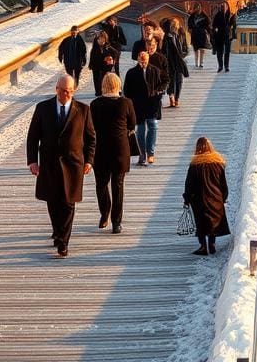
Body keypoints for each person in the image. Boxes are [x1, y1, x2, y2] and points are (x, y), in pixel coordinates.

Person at [26, 75, 95, 258]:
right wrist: (32, 161)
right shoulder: (43, 108)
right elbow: (33, 137)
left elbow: (90, 139)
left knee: (68, 203)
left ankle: (64, 242)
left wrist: (89, 160)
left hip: (73, 164)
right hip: (49, 163)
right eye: (62, 90)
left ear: (74, 91)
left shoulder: (83, 110)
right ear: (56, 89)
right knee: (52, 201)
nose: (65, 94)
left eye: (69, 91)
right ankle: (57, 231)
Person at [90, 72, 136, 234]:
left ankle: (105, 213)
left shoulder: (95, 104)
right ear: (118, 85)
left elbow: (91, 128)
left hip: (100, 149)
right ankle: (117, 223)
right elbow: (132, 124)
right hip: (120, 149)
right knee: (118, 185)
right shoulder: (126, 103)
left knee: (101, 184)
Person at [183, 136, 230, 256]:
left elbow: (189, 184)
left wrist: (187, 199)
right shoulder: (218, 163)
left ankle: (203, 246)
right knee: (213, 223)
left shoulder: (195, 165)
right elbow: (222, 183)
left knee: (201, 223)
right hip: (215, 198)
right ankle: (212, 244)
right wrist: (223, 197)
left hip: (199, 199)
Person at [123, 51, 168, 166]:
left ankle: (151, 153)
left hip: (153, 103)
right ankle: (142, 154)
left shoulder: (155, 70)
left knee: (153, 127)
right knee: (141, 130)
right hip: (138, 105)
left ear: (148, 60)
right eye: (142, 61)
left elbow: (165, 81)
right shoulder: (131, 73)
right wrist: (129, 104)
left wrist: (159, 91)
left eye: (145, 61)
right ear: (138, 59)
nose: (143, 63)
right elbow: (127, 91)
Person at [163, 17, 189, 108]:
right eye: (172, 25)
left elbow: (185, 47)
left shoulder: (181, 34)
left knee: (179, 80)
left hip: (179, 60)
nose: (174, 27)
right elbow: (164, 50)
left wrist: (183, 55)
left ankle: (177, 98)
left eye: (175, 25)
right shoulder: (168, 36)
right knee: (171, 80)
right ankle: (172, 99)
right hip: (170, 61)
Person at [88, 30, 119, 97]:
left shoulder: (108, 47)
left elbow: (116, 53)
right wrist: (91, 65)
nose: (102, 41)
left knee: (105, 80)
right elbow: (92, 57)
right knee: (96, 80)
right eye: (100, 39)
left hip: (106, 67)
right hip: (96, 66)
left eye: (104, 39)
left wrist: (112, 60)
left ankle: (104, 91)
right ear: (97, 39)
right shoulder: (94, 48)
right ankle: (98, 92)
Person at [212, 4, 237, 73]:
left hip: (227, 34)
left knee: (227, 51)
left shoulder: (230, 14)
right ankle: (220, 66)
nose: (223, 7)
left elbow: (234, 24)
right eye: (222, 6)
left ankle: (226, 66)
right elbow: (214, 25)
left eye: (224, 6)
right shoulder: (218, 14)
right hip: (219, 34)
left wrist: (233, 31)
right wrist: (215, 30)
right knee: (219, 51)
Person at [188, 3, 212, 69]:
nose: (198, 9)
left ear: (201, 8)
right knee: (196, 49)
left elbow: (208, 24)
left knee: (202, 49)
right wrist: (191, 30)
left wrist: (209, 32)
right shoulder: (192, 16)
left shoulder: (204, 16)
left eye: (199, 7)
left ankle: (201, 63)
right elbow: (189, 25)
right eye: (197, 7)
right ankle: (196, 63)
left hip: (202, 34)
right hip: (195, 34)